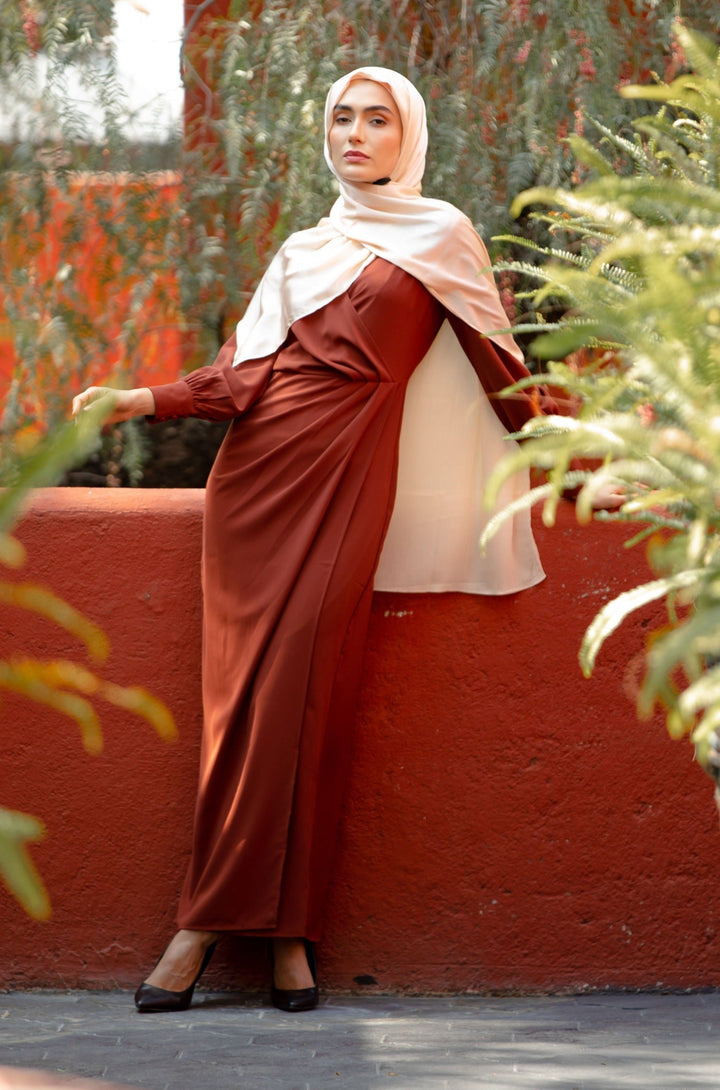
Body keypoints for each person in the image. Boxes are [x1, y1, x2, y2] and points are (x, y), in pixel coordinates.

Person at [72, 66, 621, 1014]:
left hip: (348, 481)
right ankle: (283, 940)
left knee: (306, 700)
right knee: (240, 710)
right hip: (255, 489)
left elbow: (503, 375)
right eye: (341, 117)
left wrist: (602, 454)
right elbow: (243, 379)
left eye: (377, 119)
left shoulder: (441, 236)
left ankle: (204, 929)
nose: (355, 134)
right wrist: (138, 399)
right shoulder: (305, 247)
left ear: (407, 135)